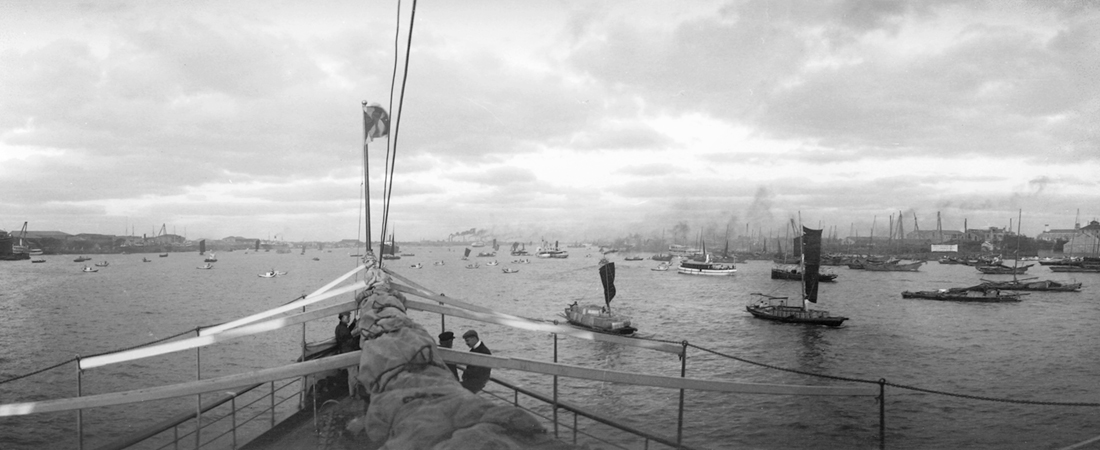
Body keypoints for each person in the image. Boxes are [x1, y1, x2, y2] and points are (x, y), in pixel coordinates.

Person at [335, 312, 361, 398]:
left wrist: (354, 322)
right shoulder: (343, 329)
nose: (348, 318)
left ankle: (352, 393)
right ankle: (356, 393)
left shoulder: (340, 328)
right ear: (342, 318)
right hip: (349, 352)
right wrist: (359, 338)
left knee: (351, 373)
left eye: (349, 317)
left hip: (345, 352)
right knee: (354, 373)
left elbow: (348, 332)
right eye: (347, 317)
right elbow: (349, 340)